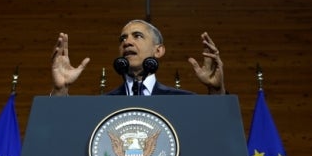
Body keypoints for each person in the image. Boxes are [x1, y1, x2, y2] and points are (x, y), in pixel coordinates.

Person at [50, 19, 226, 96]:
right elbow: (59, 136)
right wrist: (60, 90)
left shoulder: (183, 101)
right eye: (123, 39)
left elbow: (217, 136)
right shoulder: (101, 105)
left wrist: (216, 91)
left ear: (158, 51)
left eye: (137, 36)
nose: (127, 42)